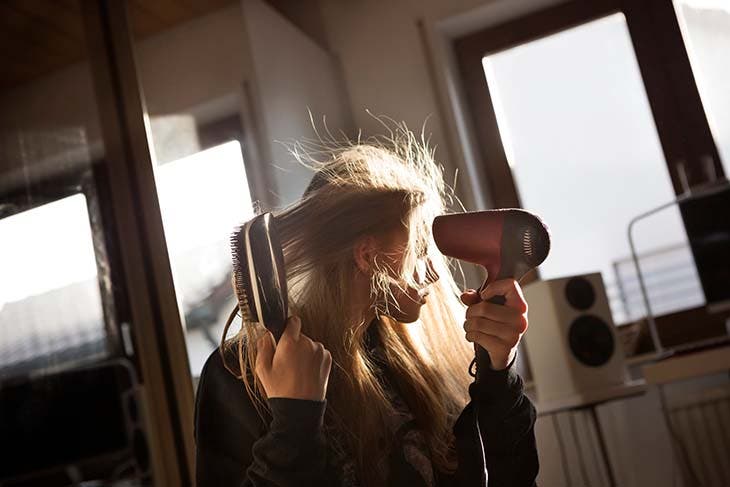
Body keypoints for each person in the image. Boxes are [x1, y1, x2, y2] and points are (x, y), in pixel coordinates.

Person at [194, 125, 538, 486]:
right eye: (421, 250)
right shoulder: (239, 376)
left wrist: (498, 374)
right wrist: (294, 420)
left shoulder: (411, 367)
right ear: (368, 254)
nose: (434, 273)